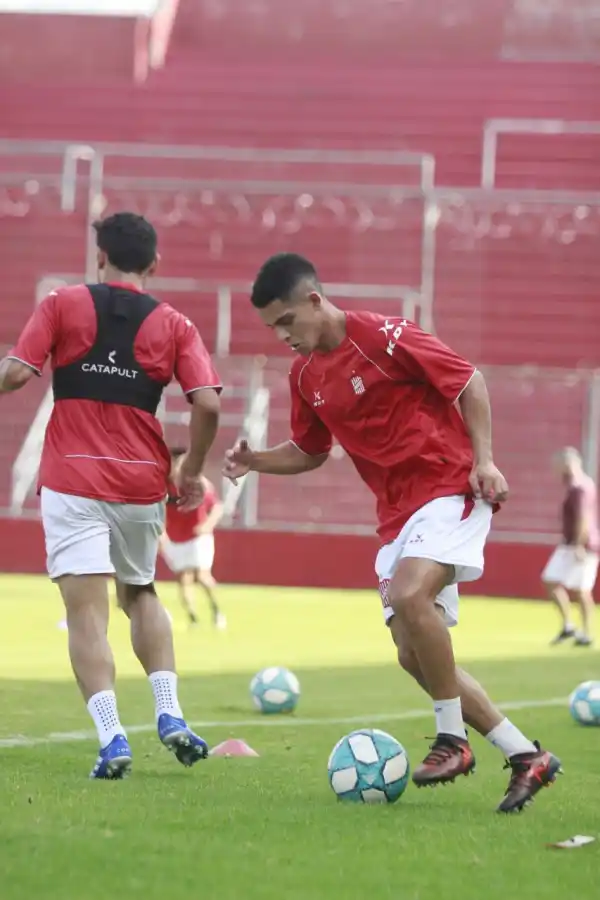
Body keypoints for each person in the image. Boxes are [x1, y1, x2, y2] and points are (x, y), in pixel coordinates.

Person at [223, 252, 561, 814]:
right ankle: (526, 755)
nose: (283, 335)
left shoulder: (384, 335)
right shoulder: (305, 375)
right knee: (412, 654)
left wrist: (486, 461)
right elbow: (310, 452)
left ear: (314, 300)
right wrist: (255, 459)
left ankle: (452, 741)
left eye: (287, 321)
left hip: (451, 486)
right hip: (397, 516)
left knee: (409, 595)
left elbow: (468, 381)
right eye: (272, 327)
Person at [0, 212, 221, 780]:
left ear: (100, 257)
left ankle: (111, 736)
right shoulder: (175, 323)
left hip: (72, 478)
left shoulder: (61, 303)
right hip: (139, 482)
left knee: (85, 613)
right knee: (141, 594)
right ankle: (169, 714)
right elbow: (210, 404)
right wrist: (191, 469)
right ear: (154, 265)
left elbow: (18, 374)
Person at [161, 448, 227, 629]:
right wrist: (161, 533)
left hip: (198, 537)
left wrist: (208, 525)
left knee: (202, 576)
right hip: (175, 538)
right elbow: (157, 509)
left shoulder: (197, 484)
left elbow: (217, 507)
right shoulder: (164, 486)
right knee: (183, 578)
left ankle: (217, 611)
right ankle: (193, 618)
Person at [542, 447, 598, 647]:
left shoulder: (580, 488)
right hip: (569, 544)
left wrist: (579, 544)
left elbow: (584, 518)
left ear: (569, 464)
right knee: (550, 580)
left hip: (581, 545)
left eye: (559, 466)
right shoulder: (577, 486)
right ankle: (568, 626)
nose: (557, 471)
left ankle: (586, 632)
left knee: (582, 590)